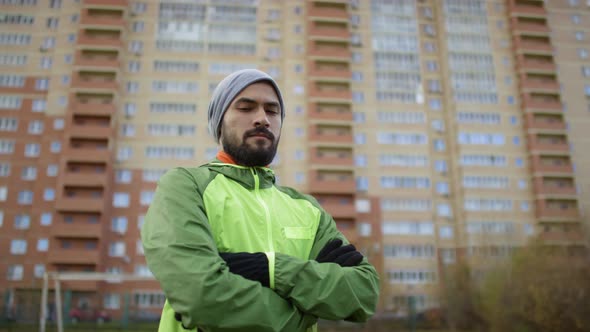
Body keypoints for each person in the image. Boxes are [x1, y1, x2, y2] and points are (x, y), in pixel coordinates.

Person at [141, 69, 380, 332]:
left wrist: (271, 268)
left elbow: (363, 292)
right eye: (245, 108)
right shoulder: (186, 186)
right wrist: (304, 312)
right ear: (219, 122)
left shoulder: (307, 209)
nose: (262, 119)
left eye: (272, 111)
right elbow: (200, 294)